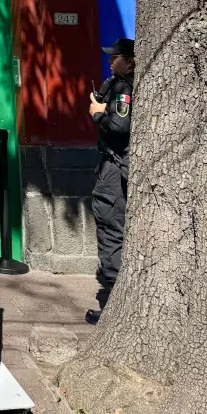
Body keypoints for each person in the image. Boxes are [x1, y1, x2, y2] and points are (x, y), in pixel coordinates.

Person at [86, 37, 135, 324]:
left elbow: (119, 125)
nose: (110, 60)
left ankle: (114, 311)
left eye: (115, 56)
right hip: (114, 165)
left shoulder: (124, 88)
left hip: (115, 169)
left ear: (129, 61)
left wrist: (99, 114)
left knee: (110, 229)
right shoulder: (116, 84)